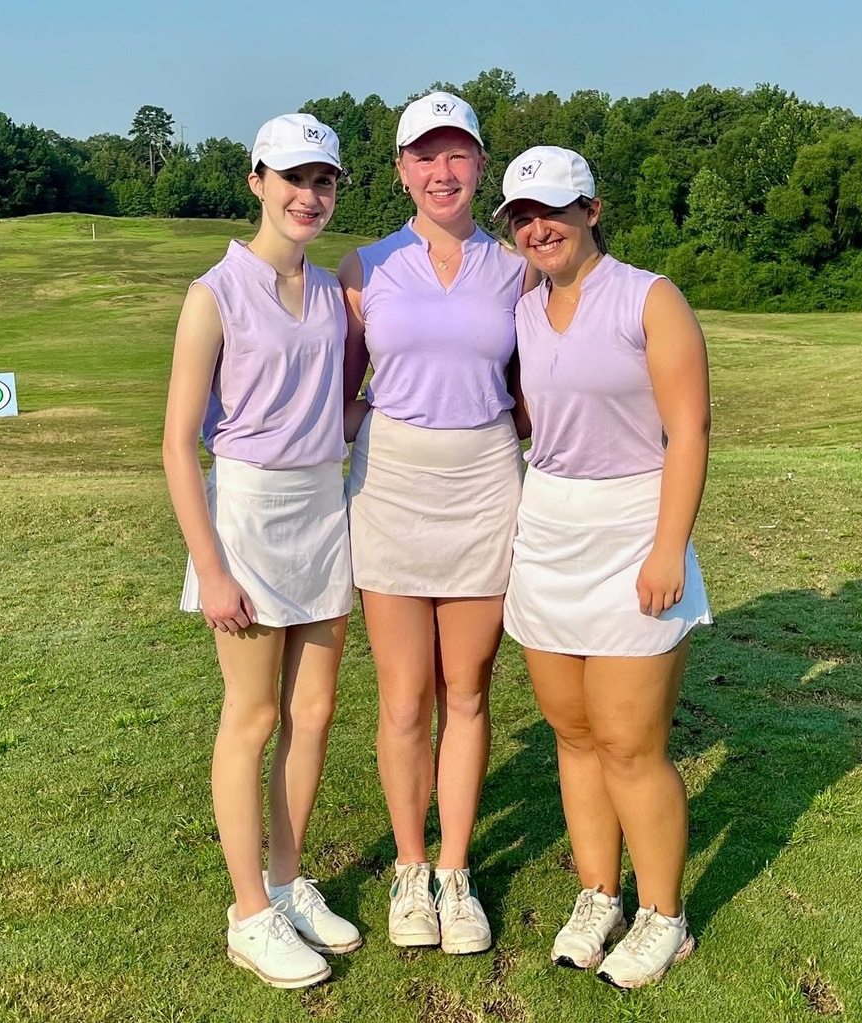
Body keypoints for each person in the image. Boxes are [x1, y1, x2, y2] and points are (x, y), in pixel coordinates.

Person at [494, 145, 713, 988]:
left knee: (630, 742)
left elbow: (688, 430)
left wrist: (667, 546)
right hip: (548, 525)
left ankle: (664, 916)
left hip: (633, 526)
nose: (537, 227)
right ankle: (598, 894)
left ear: (591, 208)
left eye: (552, 208)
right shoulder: (524, 308)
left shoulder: (649, 298)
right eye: (521, 215)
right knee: (575, 734)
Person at [162, 113, 361, 990]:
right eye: (293, 178)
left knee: (312, 712)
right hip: (246, 511)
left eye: (323, 181)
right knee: (252, 718)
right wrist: (209, 565)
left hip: (325, 505)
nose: (308, 195)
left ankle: (286, 881)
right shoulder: (215, 293)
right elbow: (176, 443)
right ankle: (249, 912)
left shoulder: (330, 292)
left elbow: (341, 401)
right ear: (256, 180)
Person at [338, 92, 534, 954]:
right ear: (401, 170)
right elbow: (342, 393)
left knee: (469, 689)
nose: (441, 171)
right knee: (405, 696)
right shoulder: (365, 266)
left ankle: (455, 871)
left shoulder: (516, 268)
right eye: (424, 156)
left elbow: (538, 389)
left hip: (485, 480)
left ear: (481, 166)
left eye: (457, 155)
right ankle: (410, 870)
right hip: (392, 485)